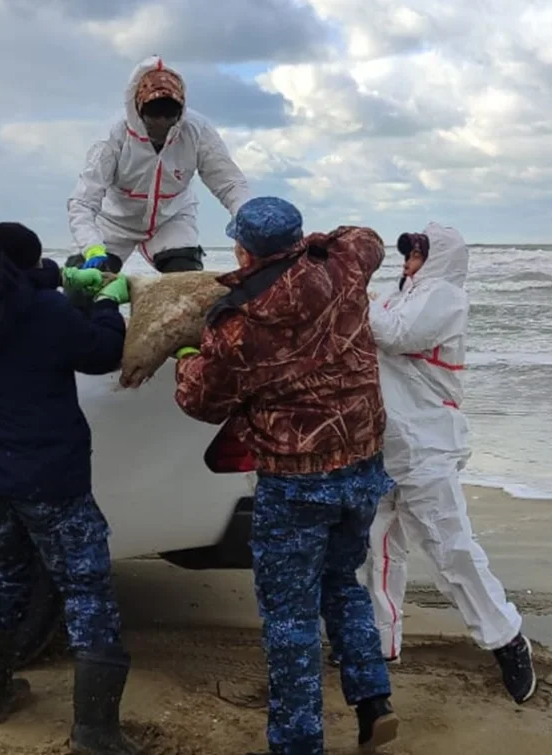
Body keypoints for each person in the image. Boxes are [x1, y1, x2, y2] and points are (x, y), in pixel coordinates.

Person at [172, 197, 398, 755]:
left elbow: (199, 400)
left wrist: (185, 356)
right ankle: (373, 702)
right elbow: (366, 234)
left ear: (245, 251)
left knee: (289, 618)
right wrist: (309, 248)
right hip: (362, 462)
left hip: (296, 482)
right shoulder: (344, 262)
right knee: (341, 583)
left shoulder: (241, 323)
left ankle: (299, 743)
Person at [0, 222, 141, 755]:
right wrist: (103, 302)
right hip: (52, 477)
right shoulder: (42, 311)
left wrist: (57, 278)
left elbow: (24, 288)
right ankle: (95, 730)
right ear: (24, 266)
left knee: (6, 576)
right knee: (88, 590)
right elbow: (102, 353)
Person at [360, 223, 537, 704]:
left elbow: (395, 336)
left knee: (451, 549)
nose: (408, 261)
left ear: (437, 257)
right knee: (376, 550)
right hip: (384, 443)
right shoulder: (396, 296)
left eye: (417, 253)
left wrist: (354, 295)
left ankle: (506, 639)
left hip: (427, 446)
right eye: (408, 253)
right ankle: (381, 643)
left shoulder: (444, 298)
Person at [68, 56, 250, 274]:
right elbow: (83, 201)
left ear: (181, 110)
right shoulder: (113, 136)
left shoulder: (198, 131)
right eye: (154, 114)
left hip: (172, 218)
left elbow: (230, 184)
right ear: (138, 108)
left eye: (170, 113)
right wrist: (92, 247)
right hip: (113, 221)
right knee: (83, 283)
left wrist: (249, 223)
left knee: (185, 281)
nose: (162, 122)